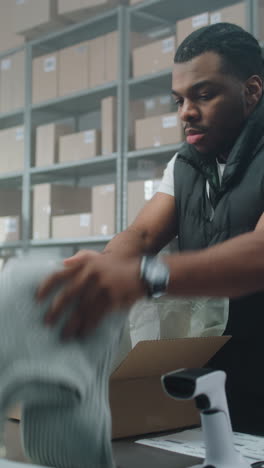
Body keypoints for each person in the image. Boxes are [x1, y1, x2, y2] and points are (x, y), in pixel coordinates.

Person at [37, 23, 264, 434]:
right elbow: (141, 236)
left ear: (251, 91)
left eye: (204, 95)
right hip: (213, 377)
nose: (185, 113)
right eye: (178, 100)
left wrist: (145, 276)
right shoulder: (187, 163)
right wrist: (101, 275)